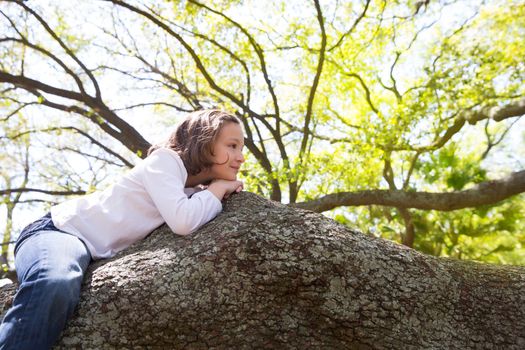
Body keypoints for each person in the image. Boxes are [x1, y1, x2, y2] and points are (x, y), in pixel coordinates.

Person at [0, 109, 245, 349]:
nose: (241, 157)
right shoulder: (165, 161)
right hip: (59, 231)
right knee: (55, 281)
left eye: (241, 148)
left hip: (92, 253)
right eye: (232, 145)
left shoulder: (194, 192)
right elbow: (183, 221)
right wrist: (218, 189)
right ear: (203, 141)